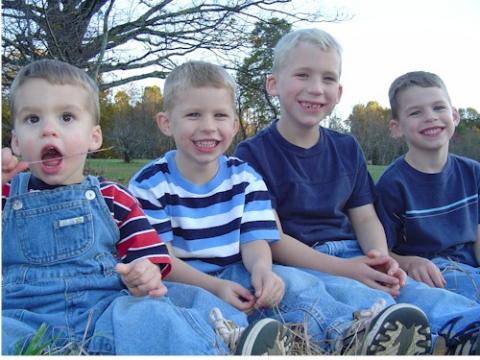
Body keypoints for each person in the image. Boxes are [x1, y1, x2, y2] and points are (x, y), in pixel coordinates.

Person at [128, 59, 433, 355]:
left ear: (235, 125)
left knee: (296, 283)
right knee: (179, 305)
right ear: (166, 123)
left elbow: (255, 238)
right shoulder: (151, 184)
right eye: (193, 115)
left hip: (239, 269)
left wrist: (262, 270)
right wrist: (215, 287)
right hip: (184, 276)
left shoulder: (244, 176)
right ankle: (236, 343)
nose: (208, 127)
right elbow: (161, 257)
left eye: (220, 116)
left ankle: (350, 332)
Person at [1, 58, 289, 356]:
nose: (49, 130)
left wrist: (146, 273)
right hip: (21, 314)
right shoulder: (7, 198)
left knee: (151, 314)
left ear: (94, 137)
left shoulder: (114, 198)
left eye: (66, 118)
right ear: (17, 141)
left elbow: (150, 256)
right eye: (33, 119)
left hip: (105, 311)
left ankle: (221, 343)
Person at [234, 28, 480, 355]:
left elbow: (364, 217)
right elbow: (273, 239)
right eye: (303, 75)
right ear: (273, 84)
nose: (315, 88)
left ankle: (465, 326)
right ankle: (361, 334)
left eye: (327, 78)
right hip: (296, 259)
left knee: (407, 288)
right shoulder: (252, 154)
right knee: (306, 290)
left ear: (339, 91)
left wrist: (379, 258)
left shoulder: (346, 147)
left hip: (350, 251)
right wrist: (347, 270)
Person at [375, 71, 480, 303]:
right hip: (432, 276)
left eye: (438, 108)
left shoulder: (473, 173)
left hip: (471, 268)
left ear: (454, 115)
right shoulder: (393, 185)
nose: (430, 117)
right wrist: (410, 262)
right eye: (415, 112)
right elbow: (380, 252)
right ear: (396, 127)